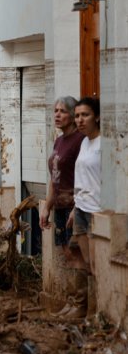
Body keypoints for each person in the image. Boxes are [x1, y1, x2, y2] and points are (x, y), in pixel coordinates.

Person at [63, 96, 102, 318]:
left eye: (85, 115)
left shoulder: (104, 143)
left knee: (96, 264)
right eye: (77, 115)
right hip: (82, 209)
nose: (79, 120)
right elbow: (82, 180)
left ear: (96, 116)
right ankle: (86, 310)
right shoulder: (85, 142)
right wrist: (75, 208)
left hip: (97, 212)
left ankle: (97, 314)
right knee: (84, 262)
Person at [40, 96, 84, 263]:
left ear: (73, 116)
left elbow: (85, 177)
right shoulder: (59, 141)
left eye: (63, 111)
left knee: (77, 254)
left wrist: (76, 208)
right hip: (59, 206)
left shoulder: (80, 140)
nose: (57, 115)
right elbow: (54, 178)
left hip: (74, 205)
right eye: (56, 111)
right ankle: (74, 290)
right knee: (67, 253)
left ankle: (83, 289)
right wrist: (46, 207)